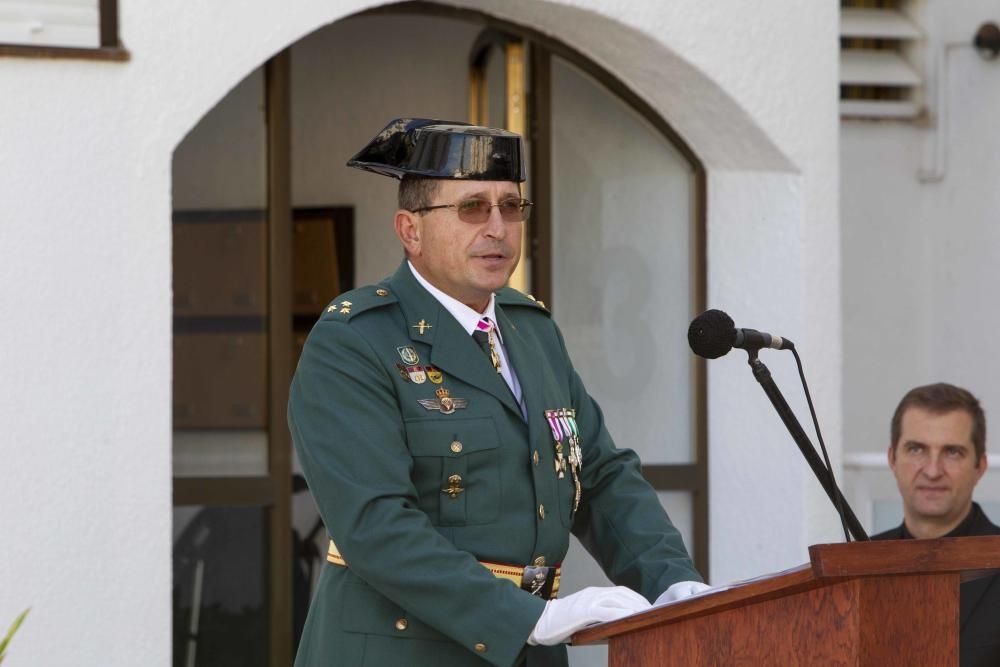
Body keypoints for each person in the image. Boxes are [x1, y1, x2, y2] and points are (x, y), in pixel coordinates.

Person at [288, 118, 707, 667]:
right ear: (410, 230)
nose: (498, 228)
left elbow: (599, 475)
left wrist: (673, 584)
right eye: (471, 208)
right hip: (403, 650)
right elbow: (375, 525)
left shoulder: (529, 328)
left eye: (511, 207)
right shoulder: (355, 338)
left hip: (526, 652)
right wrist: (530, 618)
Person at [873, 382, 1000, 667]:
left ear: (979, 466)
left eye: (952, 452)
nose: (932, 471)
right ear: (893, 458)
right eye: (916, 449)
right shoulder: (853, 565)